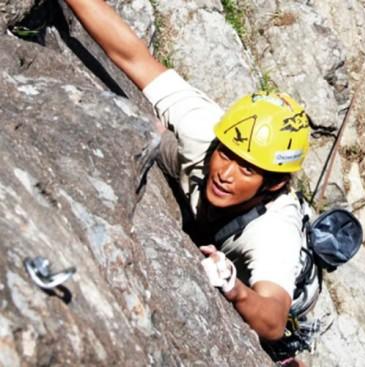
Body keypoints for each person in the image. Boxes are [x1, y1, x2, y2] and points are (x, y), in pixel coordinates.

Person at [65, 0, 311, 364]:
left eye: (247, 169)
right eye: (227, 154)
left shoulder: (274, 233)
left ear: (273, 184)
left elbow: (273, 320)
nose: (226, 173)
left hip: (235, 262)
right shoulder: (206, 131)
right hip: (193, 178)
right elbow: (132, 56)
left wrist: (234, 288)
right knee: (158, 135)